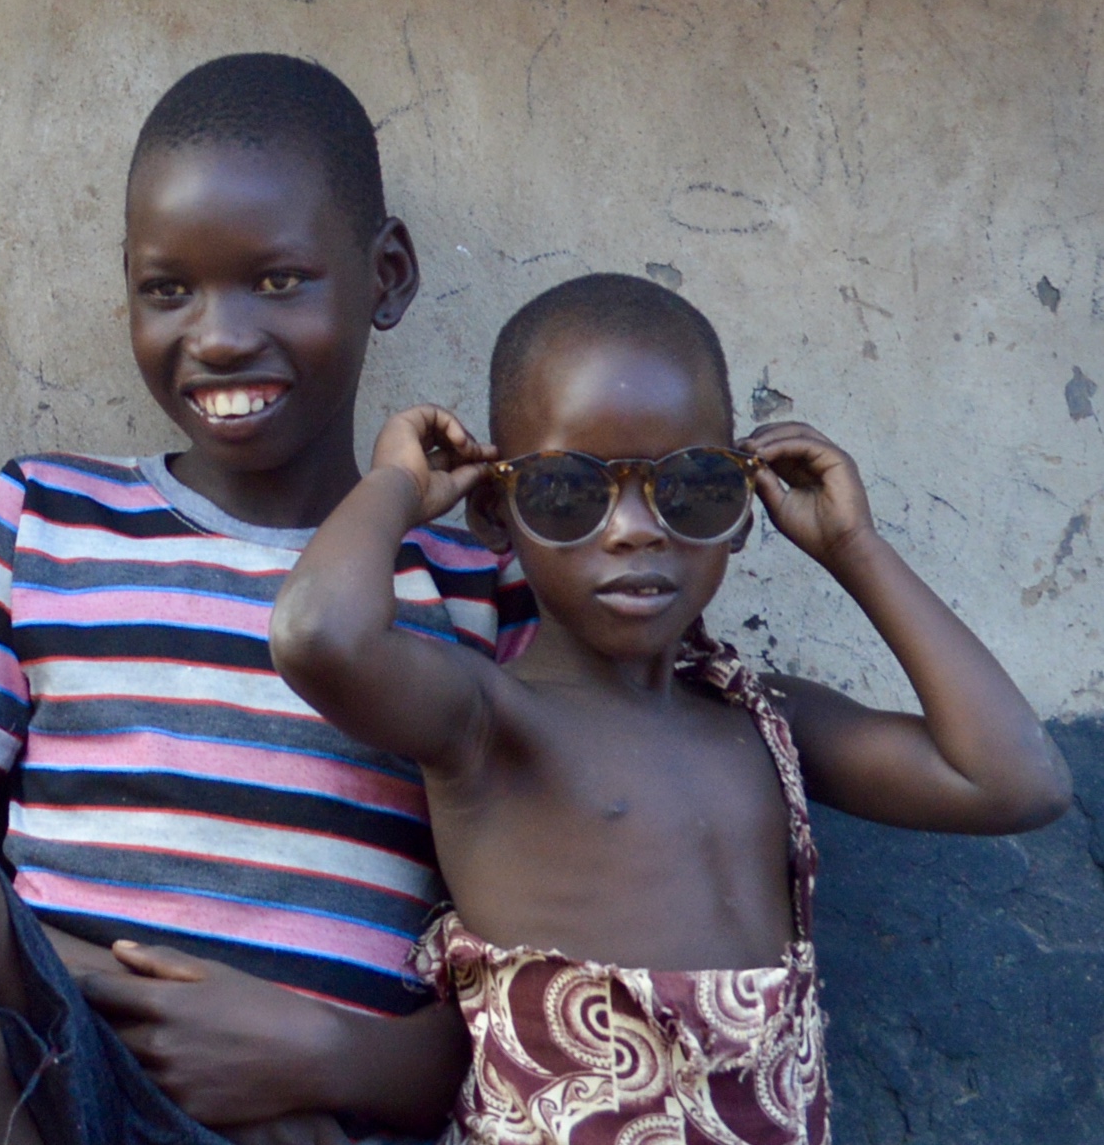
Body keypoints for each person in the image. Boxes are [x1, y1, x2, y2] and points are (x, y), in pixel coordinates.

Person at [0, 53, 536, 1145]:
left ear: (388, 275)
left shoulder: (474, 592)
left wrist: (323, 1052)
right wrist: (101, 987)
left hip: (313, 1108)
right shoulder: (43, 517)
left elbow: (533, 992)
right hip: (46, 1086)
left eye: (277, 280)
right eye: (167, 289)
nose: (219, 335)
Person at [269, 273, 1073, 1145]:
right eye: (567, 492)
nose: (632, 528)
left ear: (740, 510)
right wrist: (396, 485)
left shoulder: (766, 719)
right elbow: (319, 635)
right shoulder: (489, 720)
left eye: (690, 486)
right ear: (496, 512)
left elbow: (1014, 781)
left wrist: (853, 546)